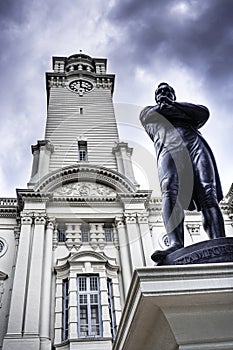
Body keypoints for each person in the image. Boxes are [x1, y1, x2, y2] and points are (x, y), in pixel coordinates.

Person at [140, 82, 226, 263]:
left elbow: (203, 113)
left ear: (173, 95)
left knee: (207, 192)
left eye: (167, 91)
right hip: (169, 148)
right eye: (160, 92)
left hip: (195, 145)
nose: (163, 93)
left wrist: (172, 106)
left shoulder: (175, 107)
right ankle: (175, 243)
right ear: (155, 97)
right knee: (170, 189)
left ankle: (219, 240)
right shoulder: (148, 112)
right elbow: (153, 116)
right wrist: (181, 113)